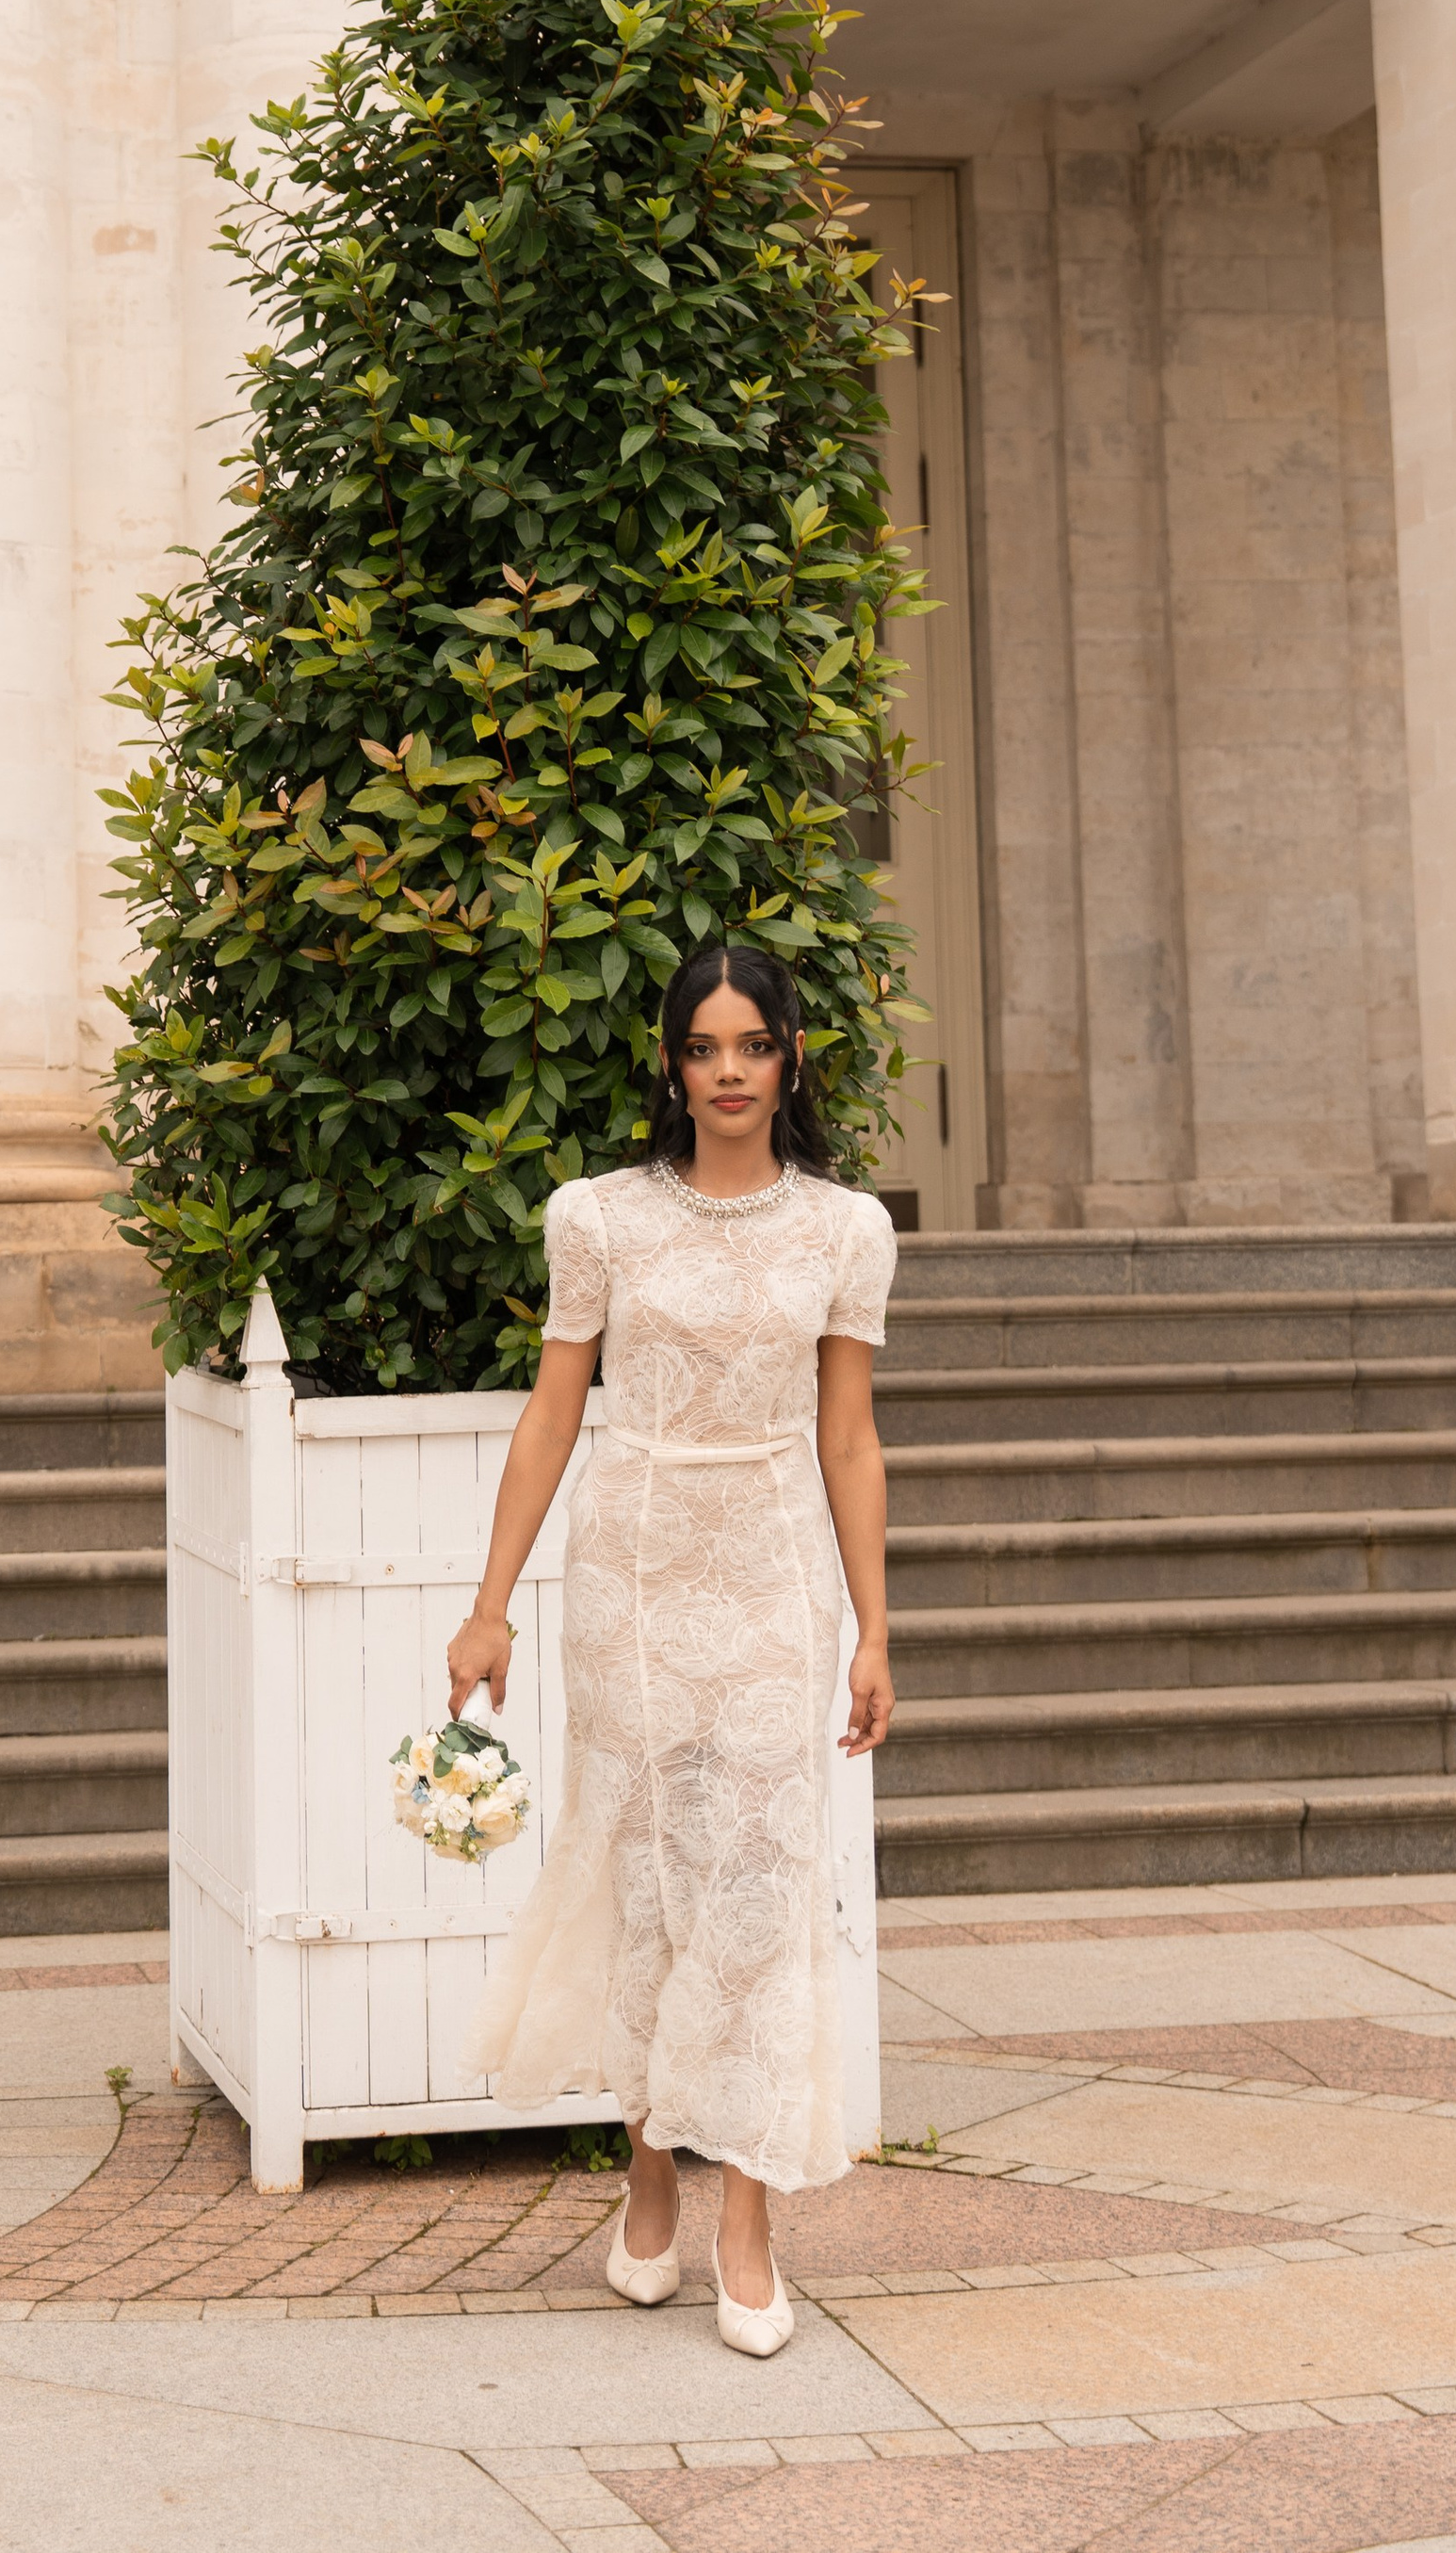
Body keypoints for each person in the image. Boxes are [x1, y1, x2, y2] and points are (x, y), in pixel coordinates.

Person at [447, 938, 897, 2359]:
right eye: (703, 1049)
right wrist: (490, 1600)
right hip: (630, 1565)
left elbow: (849, 1435)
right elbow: (550, 1413)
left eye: (751, 1047)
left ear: (791, 1056)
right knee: (648, 1874)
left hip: (773, 1567)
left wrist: (877, 1626)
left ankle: (747, 2224)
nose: (727, 1074)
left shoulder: (845, 1230)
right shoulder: (597, 1218)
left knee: (762, 1883)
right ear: (669, 1061)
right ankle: (649, 2170)